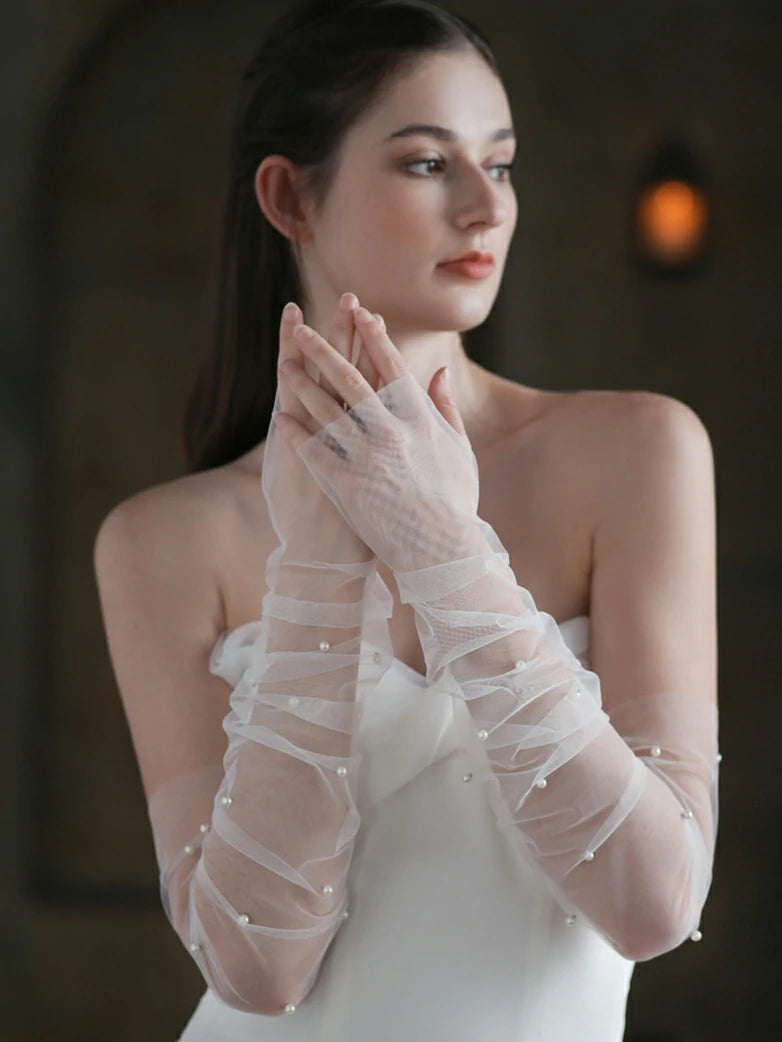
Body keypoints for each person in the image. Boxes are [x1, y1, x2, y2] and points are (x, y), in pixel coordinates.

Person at [93, 1, 719, 1039]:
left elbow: (654, 903)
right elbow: (258, 967)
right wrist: (314, 573)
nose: (485, 207)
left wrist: (441, 546)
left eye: (500, 164)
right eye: (428, 163)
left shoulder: (638, 452)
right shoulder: (159, 541)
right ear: (289, 196)